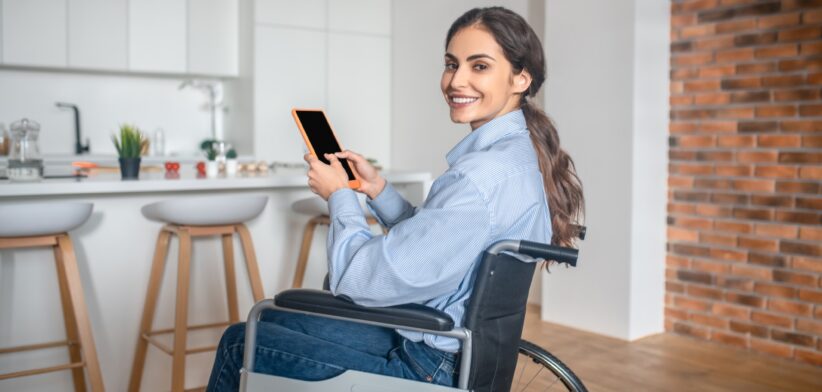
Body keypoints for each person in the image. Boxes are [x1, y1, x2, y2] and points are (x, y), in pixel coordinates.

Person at [206, 6, 584, 391]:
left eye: (479, 66)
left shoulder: (478, 178)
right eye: (452, 64)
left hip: (428, 365)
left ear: (521, 78)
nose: (457, 81)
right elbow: (439, 246)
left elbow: (359, 279)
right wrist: (377, 192)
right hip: (456, 351)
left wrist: (339, 195)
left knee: (242, 339)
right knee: (275, 323)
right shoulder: (520, 154)